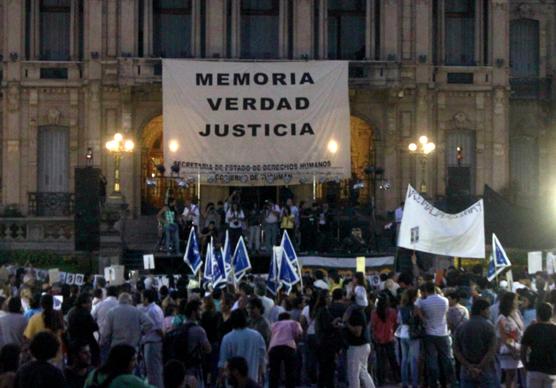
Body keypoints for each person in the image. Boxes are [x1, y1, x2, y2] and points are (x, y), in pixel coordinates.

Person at [453, 298, 498, 388]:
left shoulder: (461, 327)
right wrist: (479, 367)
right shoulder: (489, 327)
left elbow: (456, 349)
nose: (489, 312)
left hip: (467, 370)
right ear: (482, 311)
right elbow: (492, 350)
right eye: (487, 310)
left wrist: (469, 366)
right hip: (486, 369)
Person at [416, 282, 454, 388]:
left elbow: (417, 310)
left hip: (430, 333)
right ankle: (447, 381)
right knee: (445, 358)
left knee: (431, 359)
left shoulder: (423, 302)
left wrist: (424, 319)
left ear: (425, 291)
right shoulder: (445, 300)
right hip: (443, 332)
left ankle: (433, 382)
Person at [219, 310, 266, 384]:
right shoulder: (257, 336)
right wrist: (261, 374)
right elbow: (262, 358)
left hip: (234, 381)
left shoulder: (227, 338)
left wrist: (221, 378)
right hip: (253, 379)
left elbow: (222, 361)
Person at [84, 344, 152, 388]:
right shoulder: (128, 380)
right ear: (124, 361)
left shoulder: (94, 374)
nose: (136, 364)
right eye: (133, 360)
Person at [521, 302, 556, 387]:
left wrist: (525, 365)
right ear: (551, 315)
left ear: (537, 314)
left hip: (534, 368)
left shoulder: (531, 329)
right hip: (551, 370)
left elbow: (523, 351)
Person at [344, 298, 375, 388]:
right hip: (364, 345)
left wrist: (347, 324)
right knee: (363, 371)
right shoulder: (359, 312)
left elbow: (357, 332)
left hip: (357, 346)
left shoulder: (355, 313)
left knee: (354, 374)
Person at [496, 291, 525, 388]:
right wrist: (513, 348)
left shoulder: (516, 313)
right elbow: (504, 337)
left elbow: (521, 328)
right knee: (510, 374)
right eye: (516, 300)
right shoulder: (502, 318)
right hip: (509, 349)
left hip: (518, 347)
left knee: (515, 374)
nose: (518, 302)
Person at [268, 312, 303, 388]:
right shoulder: (294, 323)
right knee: (290, 372)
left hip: (274, 347)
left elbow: (270, 335)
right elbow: (298, 334)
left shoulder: (274, 324)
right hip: (288, 347)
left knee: (274, 373)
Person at [371, 293, 400, 386]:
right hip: (389, 338)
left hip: (378, 339)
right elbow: (396, 324)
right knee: (392, 359)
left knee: (380, 361)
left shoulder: (374, 312)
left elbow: (373, 326)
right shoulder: (392, 311)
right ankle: (397, 378)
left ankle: (381, 380)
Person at [139, 289, 164, 388]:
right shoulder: (155, 308)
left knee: (154, 372)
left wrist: (163, 339)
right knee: (153, 371)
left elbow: (158, 329)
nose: (141, 300)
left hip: (153, 343)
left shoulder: (152, 311)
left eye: (142, 297)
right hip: (152, 343)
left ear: (146, 299)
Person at [66, 293, 100, 366]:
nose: (91, 305)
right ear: (83, 303)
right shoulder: (85, 314)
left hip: (72, 343)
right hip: (85, 344)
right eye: (89, 302)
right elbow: (95, 327)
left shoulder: (71, 311)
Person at [397, 288, 421, 388]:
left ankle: (405, 383)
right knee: (413, 360)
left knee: (404, 360)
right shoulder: (416, 308)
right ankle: (414, 383)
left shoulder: (401, 307)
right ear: (415, 297)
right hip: (413, 335)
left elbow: (398, 321)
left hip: (402, 334)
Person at [92, 285, 119, 362]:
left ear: (106, 293)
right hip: (118, 336)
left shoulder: (100, 305)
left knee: (104, 359)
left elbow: (91, 317)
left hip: (103, 335)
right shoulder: (120, 305)